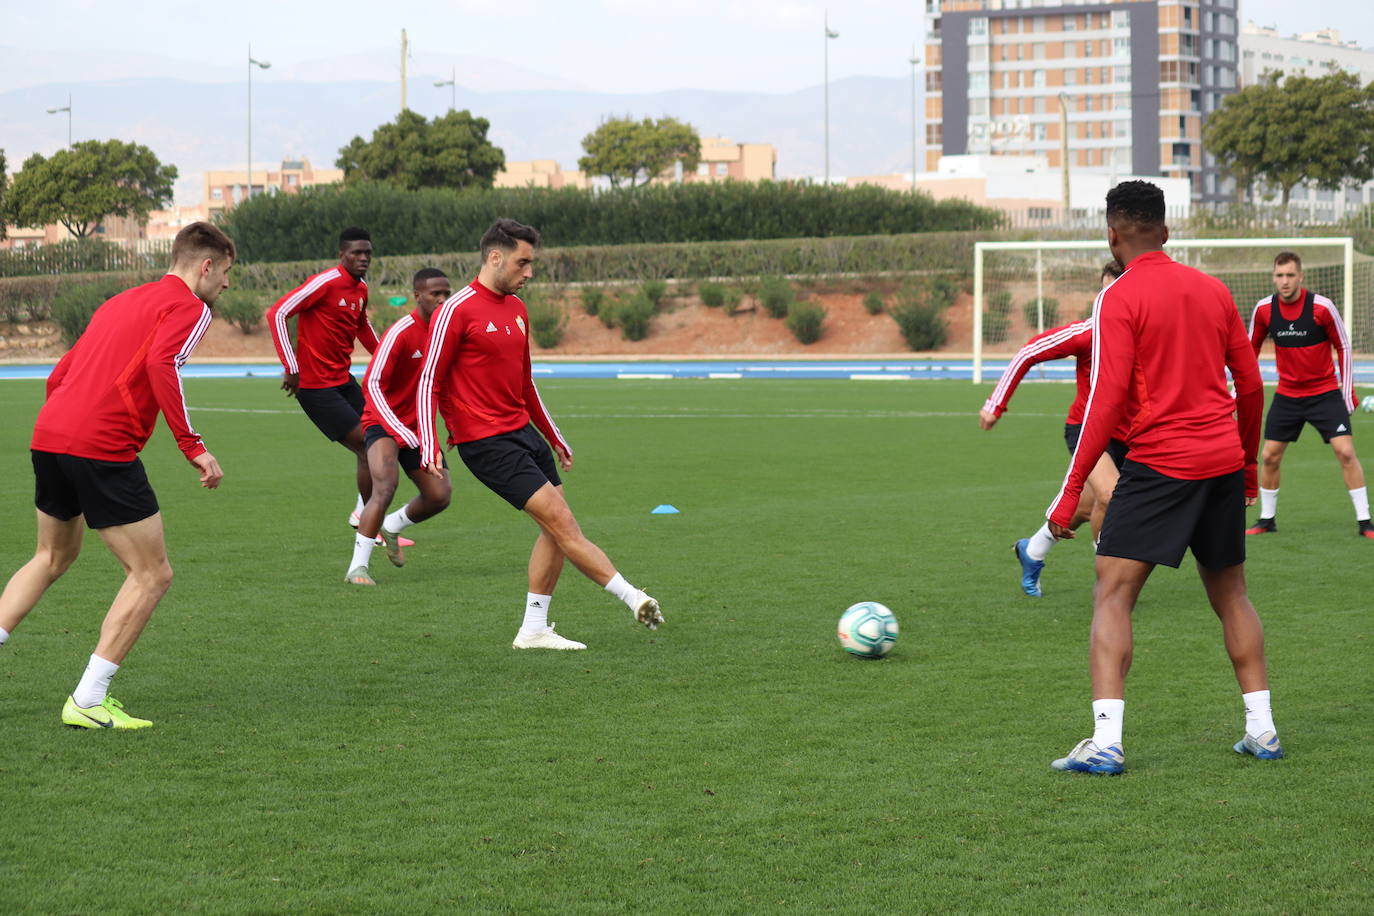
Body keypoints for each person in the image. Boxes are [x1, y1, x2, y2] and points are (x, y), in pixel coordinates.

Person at [1045, 181, 1279, 774]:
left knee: (1113, 591)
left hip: (1160, 465)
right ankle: (1263, 730)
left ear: (1112, 235)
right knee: (1232, 596)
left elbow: (1104, 401)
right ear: (1166, 232)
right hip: (1222, 461)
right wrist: (1247, 465)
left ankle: (1106, 742)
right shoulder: (1214, 289)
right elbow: (1250, 386)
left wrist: (1070, 492)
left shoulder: (1118, 298)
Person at [0, 222, 233, 729]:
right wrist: (193, 446)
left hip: (51, 433)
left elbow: (61, 371)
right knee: (153, 574)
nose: (227, 285)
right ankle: (88, 698)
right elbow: (162, 362)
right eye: (227, 273)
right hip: (100, 444)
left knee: (51, 555)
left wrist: (65, 429)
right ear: (206, 265)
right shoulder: (191, 308)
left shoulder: (122, 299)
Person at [416, 218, 664, 649]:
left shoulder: (517, 309)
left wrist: (553, 435)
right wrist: (430, 443)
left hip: (523, 433)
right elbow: (428, 382)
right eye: (522, 262)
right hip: (485, 443)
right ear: (495, 257)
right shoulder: (454, 311)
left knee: (553, 530)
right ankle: (635, 597)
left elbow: (526, 382)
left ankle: (533, 629)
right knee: (566, 526)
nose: (529, 272)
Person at [981, 261, 1127, 597]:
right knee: (1111, 494)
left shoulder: (1149, 336)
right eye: (1104, 292)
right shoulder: (1088, 334)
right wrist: (995, 404)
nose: (1109, 300)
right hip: (1086, 430)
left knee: (1086, 509)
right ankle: (1112, 585)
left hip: (1128, 438)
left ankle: (1032, 550)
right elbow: (1029, 351)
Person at [1244, 251, 1371, 539]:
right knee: (1269, 456)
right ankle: (1267, 519)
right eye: (1279, 275)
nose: (1285, 281)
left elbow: (1344, 347)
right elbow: (1247, 351)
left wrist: (1347, 390)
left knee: (1346, 452)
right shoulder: (1264, 309)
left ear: (1301, 276)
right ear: (1273, 277)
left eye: (1290, 275)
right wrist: (1238, 389)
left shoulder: (1322, 307)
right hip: (1287, 395)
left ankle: (1365, 522)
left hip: (1324, 394)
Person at [266, 227, 380, 529]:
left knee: (380, 440)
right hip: (317, 389)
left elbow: (363, 328)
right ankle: (368, 522)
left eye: (367, 252)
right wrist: (291, 366)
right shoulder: (324, 283)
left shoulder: (361, 289)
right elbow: (276, 313)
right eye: (356, 252)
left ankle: (363, 515)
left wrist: (386, 359)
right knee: (370, 447)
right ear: (341, 255)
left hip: (344, 381)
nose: (363, 257)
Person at [346, 268, 454, 585]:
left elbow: (446, 385)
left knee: (440, 495)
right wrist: (398, 429)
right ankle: (357, 568)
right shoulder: (400, 333)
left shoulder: (447, 334)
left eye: (447, 293)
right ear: (418, 296)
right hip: (382, 423)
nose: (442, 299)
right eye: (436, 293)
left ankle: (392, 525)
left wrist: (452, 426)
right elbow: (372, 385)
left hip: (419, 428)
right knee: (385, 487)